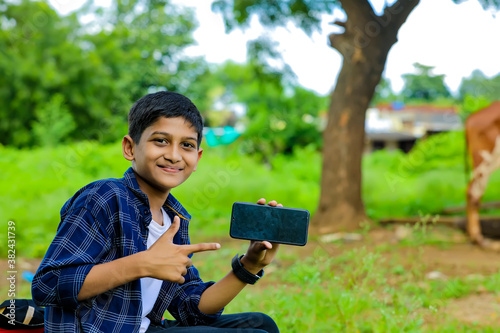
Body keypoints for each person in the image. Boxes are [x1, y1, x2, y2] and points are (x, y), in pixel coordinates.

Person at [32, 91, 281, 333]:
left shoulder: (174, 218)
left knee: (262, 324)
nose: (173, 155)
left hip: (143, 327)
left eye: (186, 145)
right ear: (130, 147)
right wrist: (142, 264)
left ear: (197, 157)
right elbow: (47, 285)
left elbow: (191, 308)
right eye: (160, 140)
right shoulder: (104, 197)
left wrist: (248, 265)